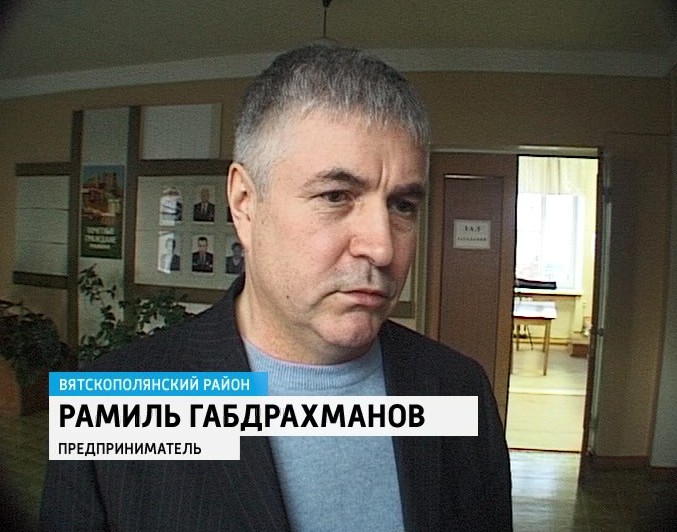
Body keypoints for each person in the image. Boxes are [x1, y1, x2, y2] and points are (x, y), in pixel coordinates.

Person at [41, 45, 512, 531]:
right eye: (336, 196)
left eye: (403, 206)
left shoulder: (459, 392)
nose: (382, 247)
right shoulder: (115, 406)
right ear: (245, 202)